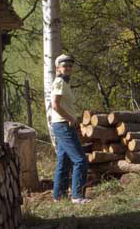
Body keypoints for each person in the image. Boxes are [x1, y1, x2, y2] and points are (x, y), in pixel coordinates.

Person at [51, 54, 90, 203]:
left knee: (64, 161)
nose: (67, 68)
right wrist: (71, 119)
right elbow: (55, 105)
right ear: (58, 68)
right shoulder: (60, 82)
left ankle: (58, 196)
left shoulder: (64, 83)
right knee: (80, 160)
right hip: (63, 125)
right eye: (64, 65)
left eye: (69, 65)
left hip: (62, 125)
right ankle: (77, 196)